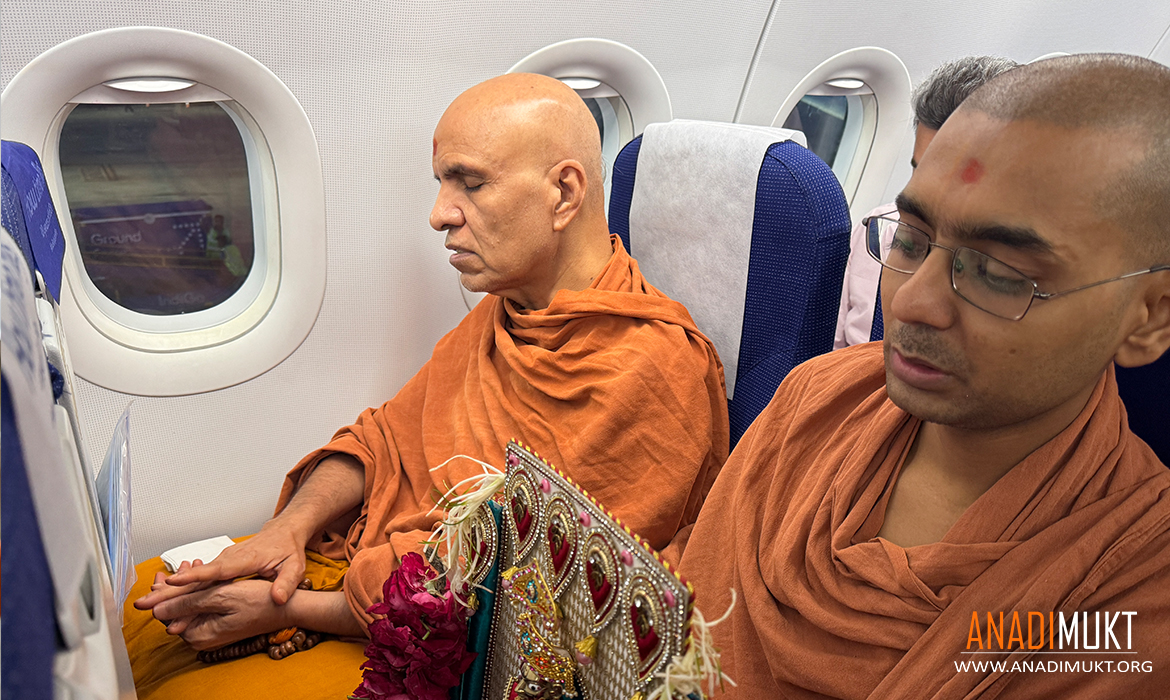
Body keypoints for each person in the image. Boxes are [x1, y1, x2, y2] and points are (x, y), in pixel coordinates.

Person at [125, 73, 729, 698]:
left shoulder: (654, 371)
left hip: (458, 649)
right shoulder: (505, 312)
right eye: (442, 182)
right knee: (141, 600)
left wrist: (290, 608)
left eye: (470, 182)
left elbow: (517, 595)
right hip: (369, 574)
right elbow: (384, 438)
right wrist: (289, 530)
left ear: (564, 193)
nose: (439, 213)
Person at [680, 53, 1170, 698]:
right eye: (910, 240)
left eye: (999, 274)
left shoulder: (1137, 594)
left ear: (1148, 318)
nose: (912, 303)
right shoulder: (816, 396)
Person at [835, 56, 1018, 348]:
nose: (906, 304)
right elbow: (835, 351)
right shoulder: (876, 234)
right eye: (922, 175)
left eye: (957, 184)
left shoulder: (1016, 270)